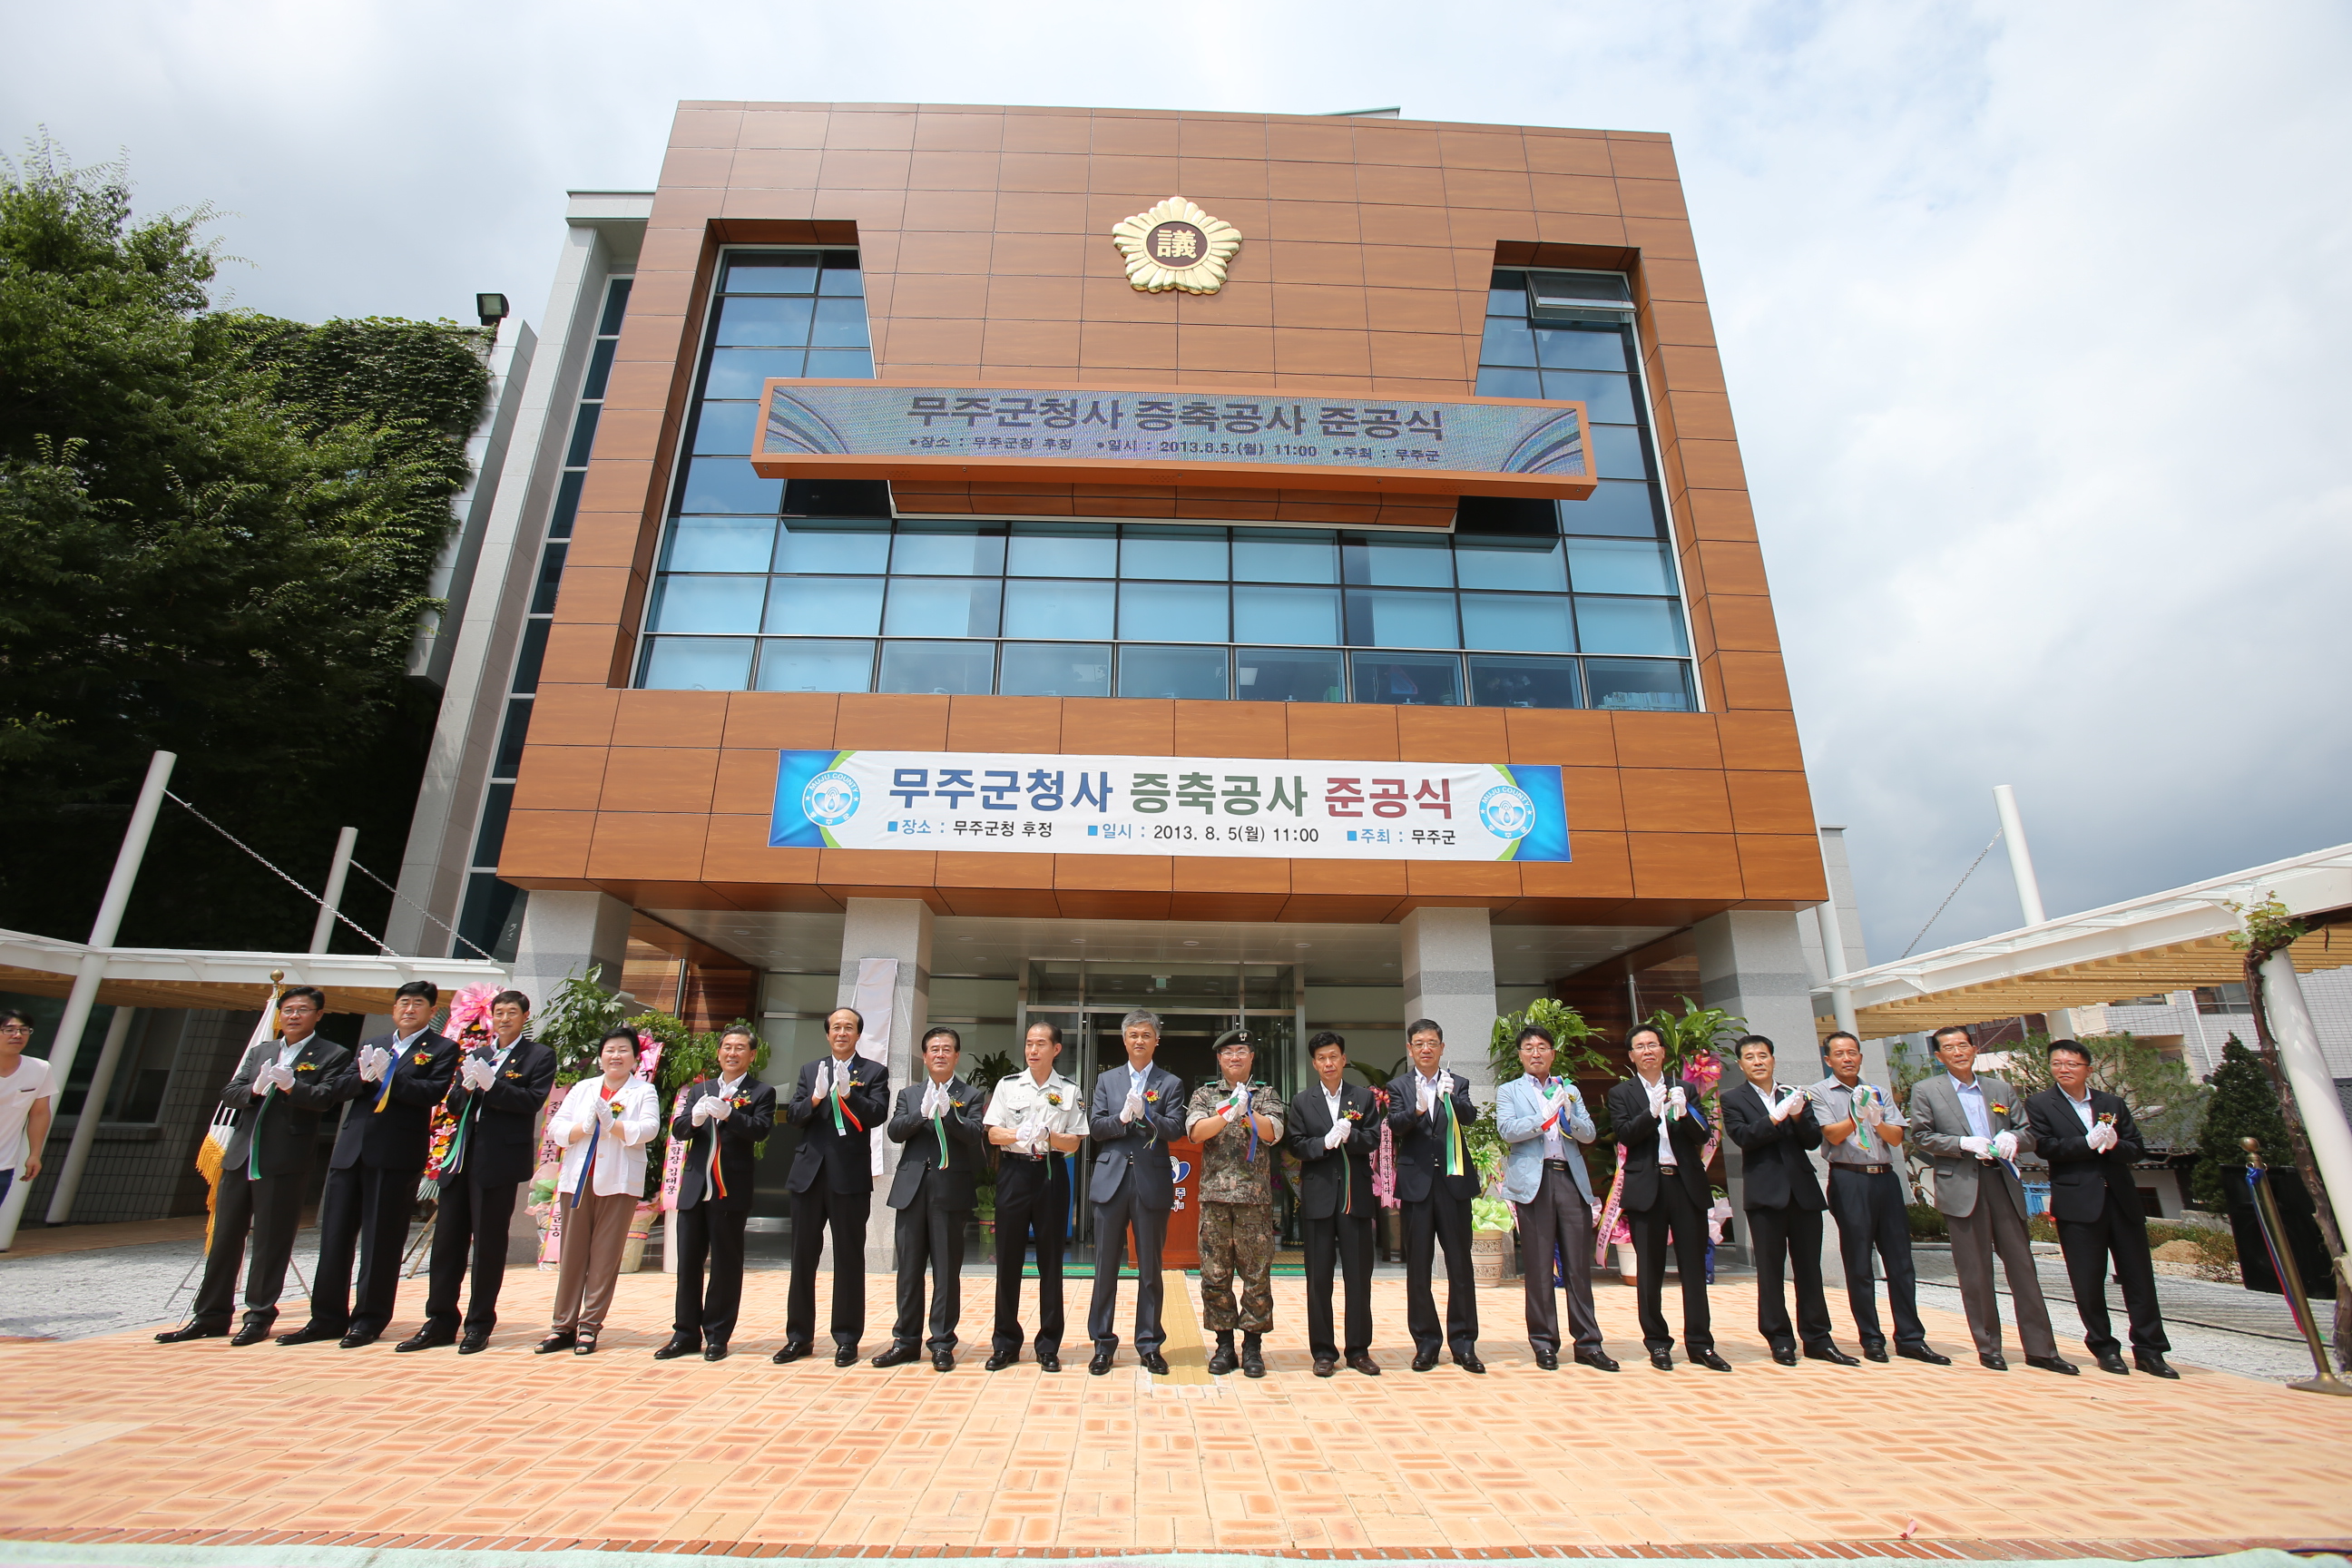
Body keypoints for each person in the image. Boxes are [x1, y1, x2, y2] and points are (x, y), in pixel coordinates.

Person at [160, 986, 353, 1345]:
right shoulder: (262, 1050)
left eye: (303, 1010)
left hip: (283, 1159)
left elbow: (327, 1098)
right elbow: (230, 1091)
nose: (294, 1016)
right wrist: (255, 1090)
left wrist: (295, 1087)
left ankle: (259, 1315)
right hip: (241, 1156)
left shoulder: (333, 1054)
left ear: (318, 1015)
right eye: (288, 1009)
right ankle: (211, 1315)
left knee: (271, 1240)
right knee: (225, 1238)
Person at [282, 981, 457, 1348]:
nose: (409, 1009)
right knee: (334, 1238)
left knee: (382, 1240)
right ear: (394, 1009)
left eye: (418, 1004)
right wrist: (364, 1077)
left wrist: (390, 1077)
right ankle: (326, 1318)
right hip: (351, 1151)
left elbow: (432, 1093)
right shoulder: (373, 1044)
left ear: (431, 1011)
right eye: (403, 1003)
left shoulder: (442, 1048)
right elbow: (337, 1090)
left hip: (395, 1154)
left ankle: (369, 1319)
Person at [1907, 1024, 2073, 1374]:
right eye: (1948, 1047)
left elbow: (2029, 1130)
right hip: (1962, 1184)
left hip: (2003, 1182)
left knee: (2023, 1267)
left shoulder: (1999, 1088)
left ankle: (2042, 1349)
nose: (1957, 1052)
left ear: (1974, 1048)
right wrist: (1961, 1144)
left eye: (1963, 1045)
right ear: (1938, 1056)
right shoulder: (1926, 1090)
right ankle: (1989, 1346)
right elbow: (1921, 1135)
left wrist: (2015, 1137)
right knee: (1975, 1271)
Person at [398, 989, 557, 1354]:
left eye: (511, 1013)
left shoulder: (538, 1055)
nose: (504, 1019)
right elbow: (452, 1104)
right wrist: (467, 1086)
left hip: (497, 1162)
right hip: (459, 1158)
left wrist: (493, 1085)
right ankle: (439, 1320)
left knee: (487, 1244)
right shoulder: (478, 1053)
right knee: (447, 1244)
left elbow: (531, 1101)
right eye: (498, 1012)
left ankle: (479, 1323)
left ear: (524, 1017)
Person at [2026, 1039, 2177, 1378]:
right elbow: (2046, 1147)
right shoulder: (2040, 1104)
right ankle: (2104, 1347)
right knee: (2088, 1281)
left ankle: (2151, 1350)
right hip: (2077, 1203)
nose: (2063, 1070)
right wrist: (2086, 1144)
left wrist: (2114, 1145)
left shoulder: (2112, 1103)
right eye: (2057, 1064)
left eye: (2071, 1064)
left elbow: (2136, 1148)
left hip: (2121, 1200)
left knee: (2139, 1279)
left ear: (2088, 1069)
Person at [1812, 1031, 1950, 1366]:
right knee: (1859, 1263)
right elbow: (1830, 1134)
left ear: (1861, 1057)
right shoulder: (1819, 1093)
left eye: (1853, 1053)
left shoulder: (1879, 1092)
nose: (1847, 1058)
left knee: (1901, 1262)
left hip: (1885, 1180)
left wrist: (1875, 1117)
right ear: (1828, 1060)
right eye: (1839, 1054)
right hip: (1849, 1179)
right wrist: (1856, 1116)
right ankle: (1871, 1338)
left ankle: (1911, 1337)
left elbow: (1895, 1136)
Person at [1719, 1033, 1854, 1367]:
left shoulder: (1795, 1095)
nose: (1757, 1062)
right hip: (1765, 1196)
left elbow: (1810, 1140)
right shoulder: (1733, 1099)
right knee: (1770, 1270)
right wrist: (1776, 1118)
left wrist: (1795, 1114)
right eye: (1750, 1057)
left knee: (1809, 1269)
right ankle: (1779, 1339)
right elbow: (1744, 1138)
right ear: (1741, 1065)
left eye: (1763, 1055)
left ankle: (1818, 1338)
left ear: (1773, 1059)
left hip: (1802, 1193)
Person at [1606, 1024, 1727, 1371]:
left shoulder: (1685, 1088)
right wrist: (1653, 1112)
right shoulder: (1622, 1093)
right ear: (1631, 1056)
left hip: (1684, 1185)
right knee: (1650, 1269)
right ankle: (1658, 1343)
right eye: (1639, 1047)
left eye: (1652, 1045)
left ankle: (1701, 1344)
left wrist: (1685, 1112)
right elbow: (1626, 1134)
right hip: (1648, 1188)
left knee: (1692, 1268)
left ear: (1662, 1052)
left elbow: (1703, 1135)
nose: (1647, 1051)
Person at [1496, 1024, 1616, 1372]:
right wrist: (1545, 1115)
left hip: (1570, 1179)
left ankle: (1589, 1344)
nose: (1536, 1053)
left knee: (1579, 1266)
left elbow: (1589, 1133)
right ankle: (1544, 1343)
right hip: (1533, 1183)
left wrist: (1565, 1114)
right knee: (1537, 1267)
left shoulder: (1570, 1089)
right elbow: (1509, 1131)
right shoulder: (1510, 1091)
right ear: (1520, 1055)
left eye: (1543, 1047)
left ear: (1553, 1053)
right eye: (1529, 1048)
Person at [778, 1007, 889, 1367]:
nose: (842, 1033)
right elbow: (793, 1117)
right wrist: (814, 1098)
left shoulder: (873, 1072)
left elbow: (877, 1114)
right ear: (827, 1034)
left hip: (849, 1178)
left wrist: (848, 1094)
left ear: (859, 1034)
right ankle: (798, 1337)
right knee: (802, 1258)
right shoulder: (811, 1070)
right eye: (836, 1027)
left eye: (849, 1027)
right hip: (809, 1176)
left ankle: (846, 1338)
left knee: (848, 1258)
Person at [539, 1027, 661, 1356]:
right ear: (600, 1056)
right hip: (578, 1182)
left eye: (623, 1050)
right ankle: (562, 1326)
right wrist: (584, 1128)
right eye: (610, 1050)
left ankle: (589, 1327)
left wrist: (614, 1126)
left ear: (636, 1058)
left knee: (605, 1257)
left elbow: (649, 1129)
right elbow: (557, 1129)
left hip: (618, 1184)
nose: (616, 1056)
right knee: (572, 1256)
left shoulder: (643, 1091)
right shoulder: (583, 1088)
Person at [660, 1025, 777, 1361]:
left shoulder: (761, 1091)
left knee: (726, 1265)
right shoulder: (701, 1090)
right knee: (689, 1266)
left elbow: (760, 1130)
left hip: (730, 1189)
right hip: (695, 1189)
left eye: (740, 1048)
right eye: (727, 1047)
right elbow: (680, 1131)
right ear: (718, 1052)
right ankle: (684, 1334)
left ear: (752, 1055)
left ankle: (717, 1335)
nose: (732, 1053)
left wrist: (732, 1114)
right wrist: (694, 1120)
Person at [878, 1026, 989, 1370]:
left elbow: (974, 1135)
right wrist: (922, 1114)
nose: (940, 1054)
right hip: (911, 1191)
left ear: (956, 1056)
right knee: (908, 1271)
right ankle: (906, 1341)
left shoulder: (971, 1094)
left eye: (947, 1049)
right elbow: (895, 1131)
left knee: (946, 1271)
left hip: (949, 1193)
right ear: (924, 1056)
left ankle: (942, 1342)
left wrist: (948, 1114)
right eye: (934, 1049)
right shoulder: (910, 1095)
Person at [1086, 1007, 1188, 1376]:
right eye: (1133, 1035)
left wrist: (1146, 1115)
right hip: (1111, 1181)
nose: (1140, 1041)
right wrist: (1122, 1119)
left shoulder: (1170, 1083)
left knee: (1150, 1269)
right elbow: (1096, 1128)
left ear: (1156, 1040)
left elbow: (1175, 1129)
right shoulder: (1106, 1080)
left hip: (1151, 1182)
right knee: (1104, 1268)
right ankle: (1102, 1344)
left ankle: (1149, 1344)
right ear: (1124, 1039)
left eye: (1147, 1035)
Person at [981, 1021, 1087, 1372]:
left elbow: (1074, 1142)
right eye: (1029, 1043)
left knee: (1051, 1261)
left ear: (1056, 1049)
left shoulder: (1069, 1090)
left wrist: (1046, 1135)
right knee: (1008, 1259)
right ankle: (1006, 1343)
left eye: (1041, 1043)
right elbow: (994, 1133)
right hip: (1013, 1172)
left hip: (1051, 1174)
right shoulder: (1008, 1086)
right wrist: (1017, 1133)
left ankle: (1048, 1345)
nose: (1032, 1050)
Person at [1185, 1028, 1285, 1378]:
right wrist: (1227, 1113)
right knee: (1215, 1275)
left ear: (1252, 1057)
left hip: (1253, 1201)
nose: (1235, 1057)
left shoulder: (1266, 1093)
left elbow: (1272, 1132)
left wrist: (1248, 1113)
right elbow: (1196, 1133)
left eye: (1241, 1051)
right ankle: (1224, 1345)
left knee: (1256, 1275)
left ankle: (1253, 1346)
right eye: (1228, 1052)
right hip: (1214, 1198)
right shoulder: (1205, 1094)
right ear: (1219, 1059)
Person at [1387, 1017, 1485, 1373]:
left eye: (1432, 1043)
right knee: (1418, 1268)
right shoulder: (1399, 1085)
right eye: (1419, 1043)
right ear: (1410, 1049)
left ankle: (1464, 1344)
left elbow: (1470, 1117)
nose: (1426, 1049)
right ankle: (1426, 1343)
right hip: (1417, 1186)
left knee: (1460, 1266)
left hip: (1454, 1184)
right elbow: (1396, 1125)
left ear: (1442, 1048)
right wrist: (1416, 1108)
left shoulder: (1457, 1082)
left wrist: (1451, 1098)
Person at [1285, 1032, 1382, 1377]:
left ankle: (1359, 1349)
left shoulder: (1363, 1098)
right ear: (1314, 1064)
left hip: (1354, 1200)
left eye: (1334, 1057)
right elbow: (1295, 1145)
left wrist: (1350, 1136)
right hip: (1319, 1198)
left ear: (1344, 1059)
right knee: (1319, 1279)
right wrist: (1323, 1143)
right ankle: (1323, 1351)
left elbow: (1372, 1139)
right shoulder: (1301, 1101)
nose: (1328, 1063)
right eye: (1322, 1058)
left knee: (1359, 1278)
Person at [0, 1008, 54, 1212]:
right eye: (9, 1030)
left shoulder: (40, 1069)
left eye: (24, 1030)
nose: (18, 1035)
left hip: (3, 1166)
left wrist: (35, 1154)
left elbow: (39, 1113)